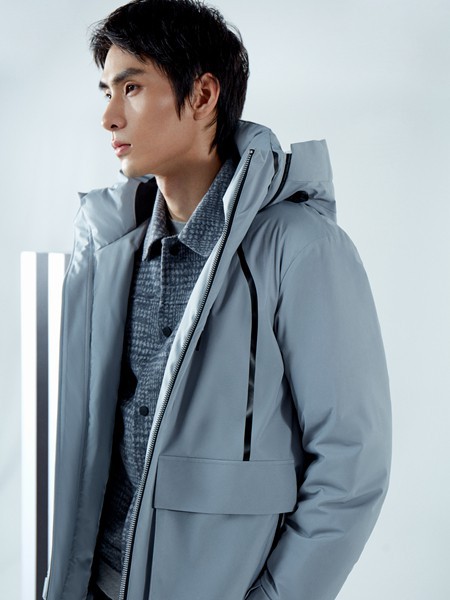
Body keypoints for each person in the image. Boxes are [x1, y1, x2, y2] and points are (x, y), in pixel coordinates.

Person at [43, 1, 391, 599]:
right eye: (106, 91)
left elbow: (352, 467)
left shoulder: (301, 248)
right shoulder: (111, 251)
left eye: (131, 88)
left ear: (203, 96)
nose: (108, 116)